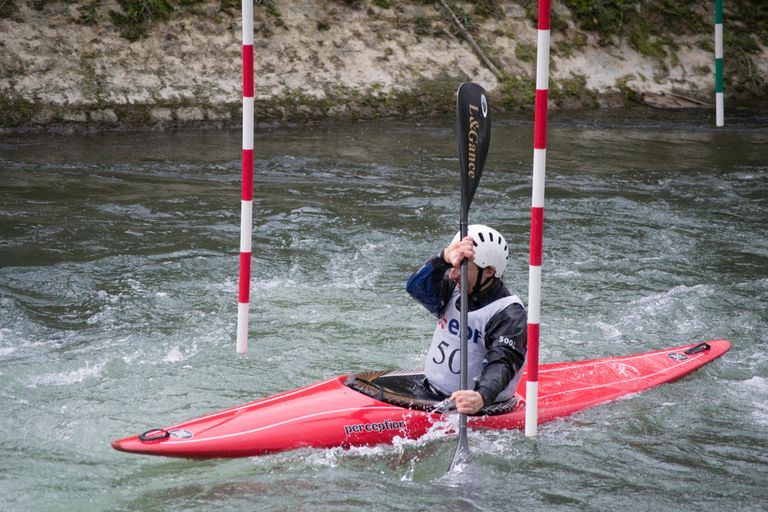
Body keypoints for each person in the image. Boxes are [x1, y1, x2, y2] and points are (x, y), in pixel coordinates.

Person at [406, 224, 527, 415]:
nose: (453, 275)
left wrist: (482, 396)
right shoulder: (453, 290)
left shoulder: (508, 314)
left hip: (480, 408)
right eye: (453, 266)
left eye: (461, 268)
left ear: (489, 271)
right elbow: (415, 288)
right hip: (431, 392)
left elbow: (503, 362)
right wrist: (443, 258)